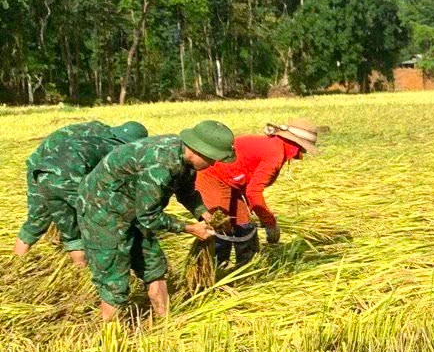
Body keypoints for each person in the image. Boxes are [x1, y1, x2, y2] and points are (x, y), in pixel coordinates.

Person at [77, 120, 236, 322]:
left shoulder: (185, 160)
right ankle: (110, 330)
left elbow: (186, 193)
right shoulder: (161, 164)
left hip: (134, 207)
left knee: (155, 267)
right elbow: (149, 217)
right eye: (212, 159)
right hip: (102, 211)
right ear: (198, 150)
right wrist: (190, 228)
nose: (213, 164)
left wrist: (205, 214)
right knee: (114, 278)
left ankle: (165, 323)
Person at [14, 121, 149, 266]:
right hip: (61, 171)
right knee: (103, 219)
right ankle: (110, 265)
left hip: (42, 170)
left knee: (44, 221)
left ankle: (15, 265)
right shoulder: (113, 147)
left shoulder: (99, 132)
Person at [195, 118, 325, 267]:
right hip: (212, 175)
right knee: (221, 225)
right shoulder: (275, 154)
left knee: (244, 224)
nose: (301, 154)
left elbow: (247, 181)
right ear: (297, 146)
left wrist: (260, 213)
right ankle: (214, 269)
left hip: (232, 180)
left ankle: (247, 268)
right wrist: (270, 223)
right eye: (303, 149)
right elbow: (253, 192)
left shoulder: (275, 146)